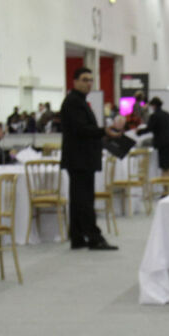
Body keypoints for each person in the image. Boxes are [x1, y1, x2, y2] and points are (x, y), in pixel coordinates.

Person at [60, 67, 117, 250]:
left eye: (91, 80)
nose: (88, 84)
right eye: (84, 80)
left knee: (79, 199)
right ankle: (94, 237)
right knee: (84, 200)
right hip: (79, 159)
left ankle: (77, 237)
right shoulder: (73, 102)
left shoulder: (79, 101)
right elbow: (81, 129)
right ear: (75, 81)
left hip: (81, 158)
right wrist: (103, 131)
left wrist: (102, 133)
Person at [139, 96, 169, 174]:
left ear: (154, 106)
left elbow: (149, 128)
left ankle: (165, 180)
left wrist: (138, 132)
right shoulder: (167, 114)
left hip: (164, 143)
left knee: (165, 166)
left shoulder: (154, 115)